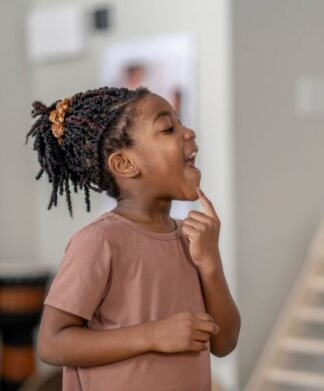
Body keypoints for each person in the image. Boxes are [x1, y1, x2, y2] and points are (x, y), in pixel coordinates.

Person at [26, 87, 240, 390]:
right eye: (168, 128)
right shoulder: (99, 241)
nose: (189, 132)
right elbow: (52, 343)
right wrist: (154, 335)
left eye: (181, 123)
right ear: (125, 164)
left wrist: (211, 263)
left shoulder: (191, 242)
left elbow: (225, 342)